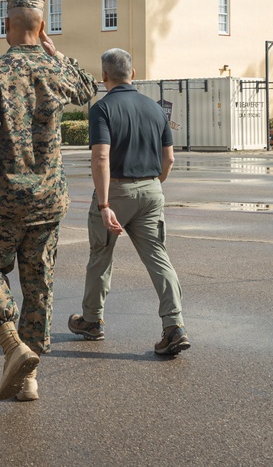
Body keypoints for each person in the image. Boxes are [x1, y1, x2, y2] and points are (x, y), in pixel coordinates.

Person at [0, 0, 97, 402]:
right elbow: (88, 89)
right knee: (38, 284)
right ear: (42, 28)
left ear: (7, 26)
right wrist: (58, 54)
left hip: (3, 197)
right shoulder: (56, 69)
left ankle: (13, 346)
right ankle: (30, 378)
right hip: (49, 199)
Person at [67, 47, 190, 356]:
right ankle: (174, 326)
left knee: (101, 256)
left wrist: (106, 204)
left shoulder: (102, 108)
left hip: (116, 192)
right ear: (133, 74)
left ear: (104, 76)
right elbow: (169, 158)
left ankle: (92, 321)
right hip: (151, 190)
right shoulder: (155, 109)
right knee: (158, 258)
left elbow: (101, 157)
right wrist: (152, 185)